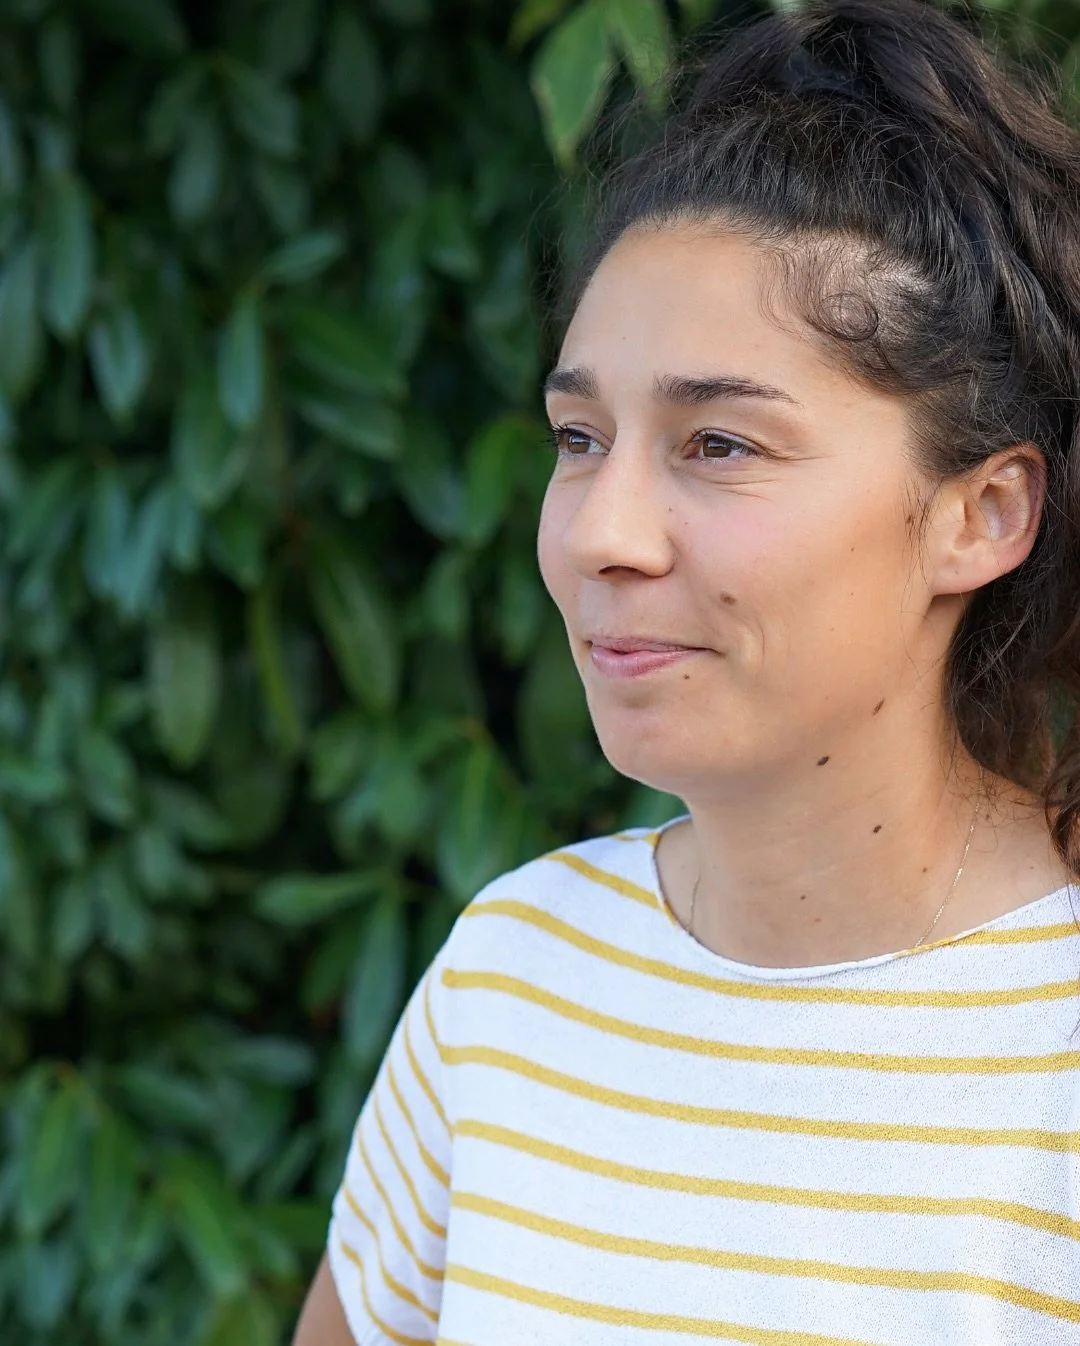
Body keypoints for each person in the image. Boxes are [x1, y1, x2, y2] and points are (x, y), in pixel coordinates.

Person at [292, 0, 1080, 1340]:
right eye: (580, 434)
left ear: (979, 513)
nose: (599, 532)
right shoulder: (513, 979)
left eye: (719, 443)